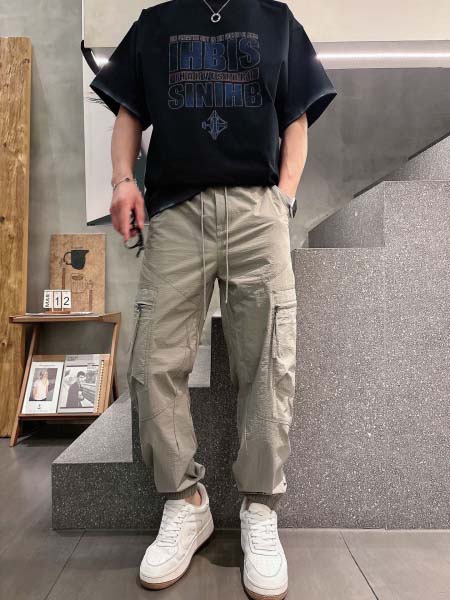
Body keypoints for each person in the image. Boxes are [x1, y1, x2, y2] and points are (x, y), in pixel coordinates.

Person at [90, 1, 337, 597]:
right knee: (152, 361)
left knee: (269, 363)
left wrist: (282, 200)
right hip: (176, 213)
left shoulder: (275, 20)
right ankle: (186, 503)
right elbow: (129, 113)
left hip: (257, 209)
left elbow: (295, 116)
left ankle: (260, 509)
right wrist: (122, 180)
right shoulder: (156, 23)